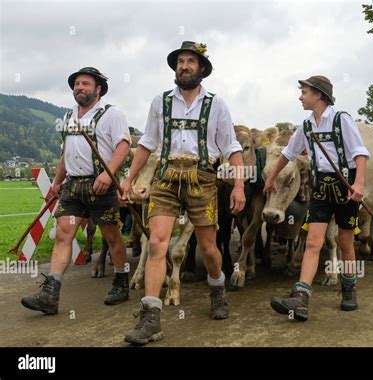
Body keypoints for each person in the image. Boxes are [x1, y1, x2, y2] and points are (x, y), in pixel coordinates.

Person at [122, 41, 246, 345]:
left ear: (201, 69)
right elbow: (148, 143)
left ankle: (217, 289)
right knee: (156, 243)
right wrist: (129, 177)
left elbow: (232, 148)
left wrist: (240, 185)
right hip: (165, 178)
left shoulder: (216, 104)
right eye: (180, 61)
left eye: (191, 61)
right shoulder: (160, 101)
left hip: (202, 177)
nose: (184, 66)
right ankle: (150, 317)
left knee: (208, 248)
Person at [21, 67, 131, 315]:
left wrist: (108, 174)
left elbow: (123, 146)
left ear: (98, 89)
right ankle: (50, 294)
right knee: (63, 235)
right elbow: (65, 153)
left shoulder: (111, 114)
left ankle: (121, 281)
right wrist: (57, 182)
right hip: (73, 186)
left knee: (111, 236)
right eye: (76, 84)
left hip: (100, 186)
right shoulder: (69, 116)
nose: (79, 88)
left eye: (85, 84)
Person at [264, 75, 370, 321]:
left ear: (319, 95)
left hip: (346, 187)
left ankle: (349, 289)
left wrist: (360, 183)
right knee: (313, 242)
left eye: (304, 92)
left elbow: (360, 153)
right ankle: (301, 299)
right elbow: (288, 153)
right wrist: (272, 178)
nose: (300, 96)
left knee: (345, 242)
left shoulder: (342, 119)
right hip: (321, 187)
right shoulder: (306, 126)